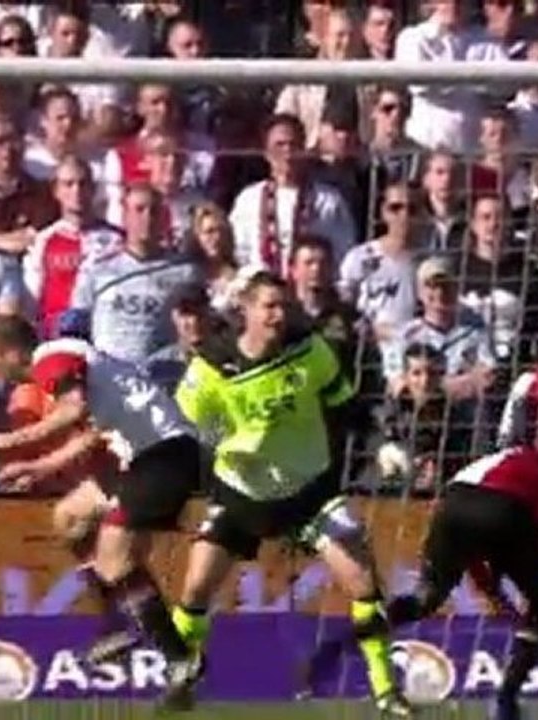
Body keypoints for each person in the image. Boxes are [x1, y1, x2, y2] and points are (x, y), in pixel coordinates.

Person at [172, 271, 409, 717]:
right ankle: (180, 680)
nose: (279, 315)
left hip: (309, 491)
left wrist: (384, 445)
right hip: (242, 494)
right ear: (244, 309)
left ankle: (386, 692)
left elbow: (346, 405)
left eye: (284, 305)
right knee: (196, 586)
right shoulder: (211, 367)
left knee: (362, 580)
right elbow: (178, 428)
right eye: (269, 306)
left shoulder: (310, 349)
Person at [0, 329, 205, 702]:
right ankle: (118, 624)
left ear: (11, 351)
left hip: (165, 455)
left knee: (115, 558)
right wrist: (37, 468)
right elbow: (91, 435)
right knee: (70, 518)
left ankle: (179, 658)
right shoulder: (71, 366)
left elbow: (74, 410)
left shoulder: (50, 359)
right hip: (143, 458)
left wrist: (8, 441)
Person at [308, 444, 538, 720]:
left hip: (453, 505)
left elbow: (478, 546)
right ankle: (506, 699)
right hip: (506, 508)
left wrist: (495, 595)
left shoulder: (513, 458)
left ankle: (338, 643)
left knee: (424, 598)